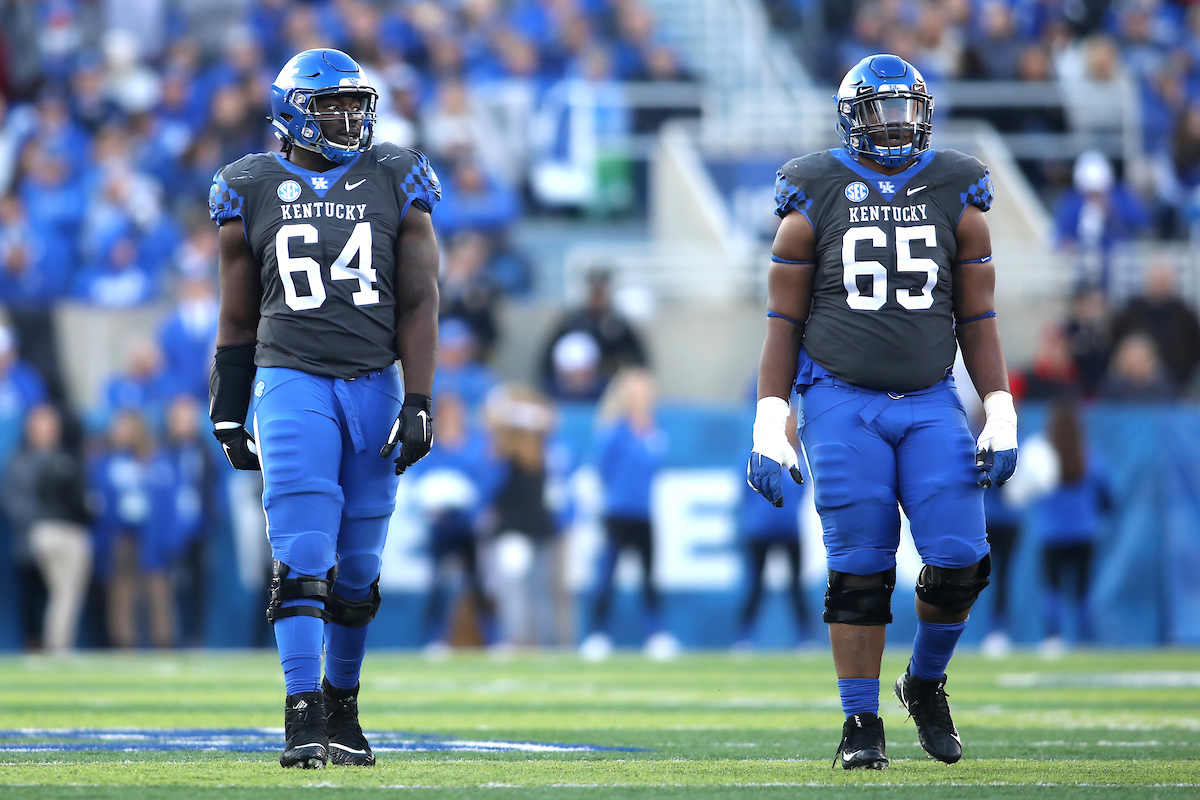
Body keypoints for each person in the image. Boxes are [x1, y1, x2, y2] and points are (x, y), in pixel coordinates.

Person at [747, 55, 1018, 769]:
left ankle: (924, 683)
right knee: (861, 565)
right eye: (881, 111)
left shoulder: (957, 188)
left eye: (906, 110)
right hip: (840, 399)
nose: (896, 125)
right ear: (852, 117)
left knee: (961, 559)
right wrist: (770, 424)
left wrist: (999, 407)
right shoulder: (814, 189)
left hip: (930, 399)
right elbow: (782, 322)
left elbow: (979, 315)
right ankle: (859, 723)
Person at [207, 48, 440, 769]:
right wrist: (227, 407)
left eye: (355, 104)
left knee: (361, 566)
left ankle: (343, 703)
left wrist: (423, 398)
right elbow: (237, 315)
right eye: (331, 105)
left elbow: (422, 298)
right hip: (292, 380)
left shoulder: (396, 175)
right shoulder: (247, 185)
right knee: (303, 549)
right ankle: (301, 710)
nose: (348, 117)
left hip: (375, 382)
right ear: (289, 111)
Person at [578, 368, 677, 662]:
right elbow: (601, 469)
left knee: (648, 576)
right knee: (606, 575)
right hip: (617, 513)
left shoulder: (654, 430)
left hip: (644, 513)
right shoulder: (614, 430)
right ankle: (597, 634)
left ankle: (656, 633)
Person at [1, 405, 91, 652]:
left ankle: (54, 645)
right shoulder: (19, 460)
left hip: (63, 532)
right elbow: (13, 499)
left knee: (60, 594)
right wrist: (43, 520)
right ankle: (35, 645)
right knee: (34, 596)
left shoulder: (66, 458)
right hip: (32, 537)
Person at [1031, 399, 1112, 656]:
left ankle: (1052, 637)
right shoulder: (1090, 457)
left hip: (1052, 533)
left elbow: (1029, 490)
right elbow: (1108, 495)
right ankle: (1084, 638)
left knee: (1052, 587)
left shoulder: (1043, 457)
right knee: (1082, 588)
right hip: (1083, 532)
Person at [734, 402, 811, 650]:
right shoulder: (755, 454)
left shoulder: (800, 459)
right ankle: (744, 638)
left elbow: (799, 494)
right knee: (755, 585)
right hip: (759, 531)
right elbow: (744, 492)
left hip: (790, 530)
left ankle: (805, 638)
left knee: (796, 586)